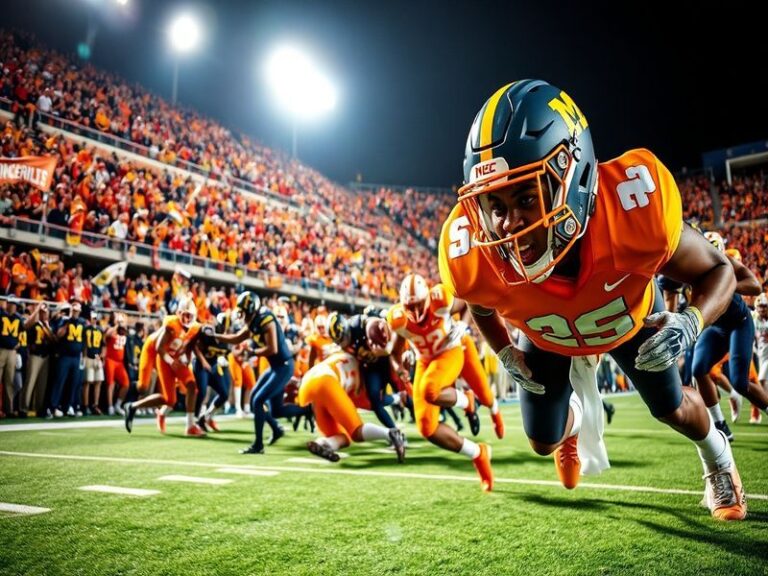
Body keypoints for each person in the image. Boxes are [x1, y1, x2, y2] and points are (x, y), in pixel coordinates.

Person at [438, 79, 746, 519]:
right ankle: (577, 416)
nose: (507, 225)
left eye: (525, 197)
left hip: (628, 321)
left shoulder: (633, 210)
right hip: (548, 336)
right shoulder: (473, 253)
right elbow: (480, 303)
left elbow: (719, 270)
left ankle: (718, 462)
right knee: (543, 440)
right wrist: (504, 351)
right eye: (495, 206)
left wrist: (691, 321)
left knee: (673, 409)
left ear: (575, 173)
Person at [384, 274, 501, 492]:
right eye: (410, 306)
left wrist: (464, 326)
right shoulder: (398, 318)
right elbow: (394, 352)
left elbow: (468, 300)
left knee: (432, 389)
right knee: (427, 428)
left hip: (450, 351)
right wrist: (399, 367)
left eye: (419, 305)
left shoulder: (441, 298)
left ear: (427, 297)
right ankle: (477, 453)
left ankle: (473, 402)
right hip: (424, 361)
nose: (416, 312)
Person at [215, 291, 310, 454]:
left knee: (258, 401)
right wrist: (216, 336)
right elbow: (237, 337)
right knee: (274, 409)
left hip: (284, 366)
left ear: (251, 309)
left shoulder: (266, 319)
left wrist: (251, 352)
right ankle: (293, 419)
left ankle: (258, 445)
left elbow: (272, 348)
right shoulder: (253, 321)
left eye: (243, 311)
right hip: (275, 367)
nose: (241, 314)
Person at [297, 351, 406, 463]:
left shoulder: (342, 354)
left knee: (341, 436)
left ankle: (325, 444)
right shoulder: (364, 370)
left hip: (308, 381)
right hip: (327, 382)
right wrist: (395, 398)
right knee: (356, 432)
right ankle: (389, 433)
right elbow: (367, 403)